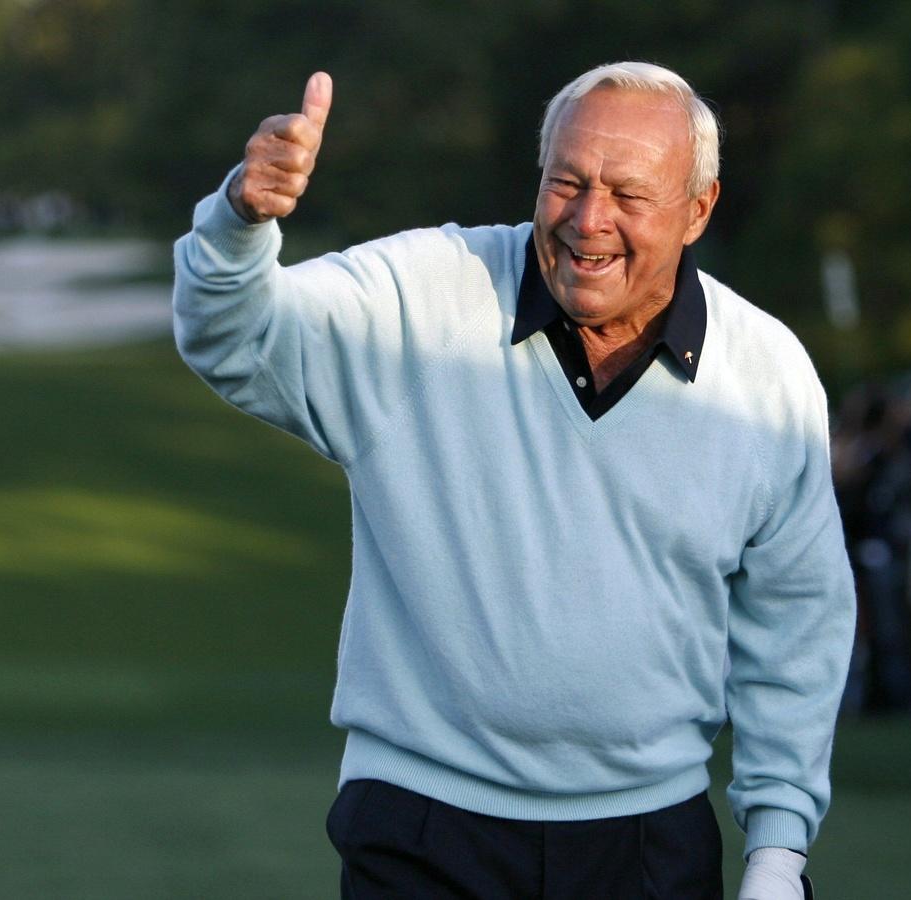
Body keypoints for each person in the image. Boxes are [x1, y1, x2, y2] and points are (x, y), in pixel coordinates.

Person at [174, 62, 855, 899]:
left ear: (698, 209)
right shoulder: (422, 299)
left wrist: (779, 850)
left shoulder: (767, 376)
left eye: (628, 195)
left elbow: (797, 622)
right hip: (421, 824)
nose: (587, 219)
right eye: (565, 182)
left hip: (649, 843)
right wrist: (240, 222)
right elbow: (232, 337)